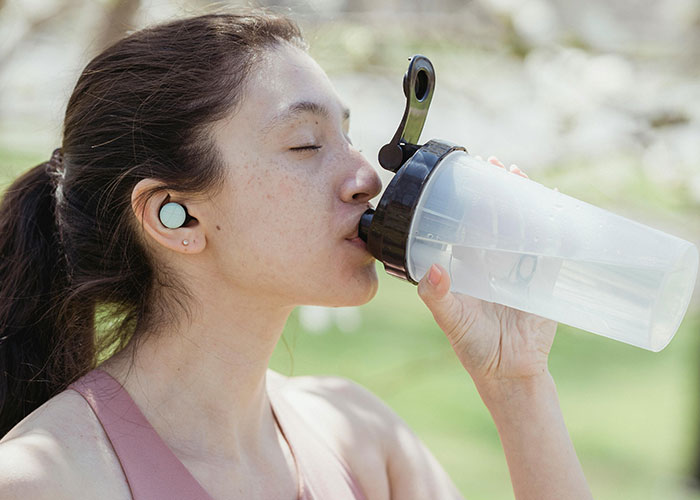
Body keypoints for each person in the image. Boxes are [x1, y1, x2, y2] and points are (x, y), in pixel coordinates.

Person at [0, 10, 592, 500]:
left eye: (350, 137)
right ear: (172, 214)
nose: (366, 176)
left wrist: (518, 385)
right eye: (306, 144)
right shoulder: (48, 480)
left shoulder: (359, 438)